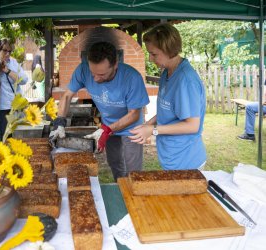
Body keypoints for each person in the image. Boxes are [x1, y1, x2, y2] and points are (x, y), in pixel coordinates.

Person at [50, 41, 149, 181]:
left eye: (102, 74)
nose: (95, 79)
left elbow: (134, 114)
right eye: (93, 73)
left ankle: (135, 197)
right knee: (115, 164)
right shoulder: (83, 69)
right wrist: (59, 121)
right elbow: (67, 96)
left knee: (133, 171)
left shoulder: (132, 78)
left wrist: (107, 130)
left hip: (132, 128)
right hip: (107, 125)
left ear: (115, 65)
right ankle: (120, 190)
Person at [129, 23, 207, 170]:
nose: (151, 59)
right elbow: (168, 110)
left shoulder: (186, 80)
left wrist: (153, 130)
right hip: (171, 155)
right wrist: (148, 125)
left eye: (154, 54)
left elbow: (192, 125)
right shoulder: (167, 72)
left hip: (186, 160)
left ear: (169, 50)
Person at [0, 38, 28, 140]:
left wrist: (7, 71)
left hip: (16, 105)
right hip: (3, 107)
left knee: (17, 134)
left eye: (9, 51)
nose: (7, 53)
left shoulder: (14, 62)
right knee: (5, 135)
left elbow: (24, 80)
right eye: (4, 50)